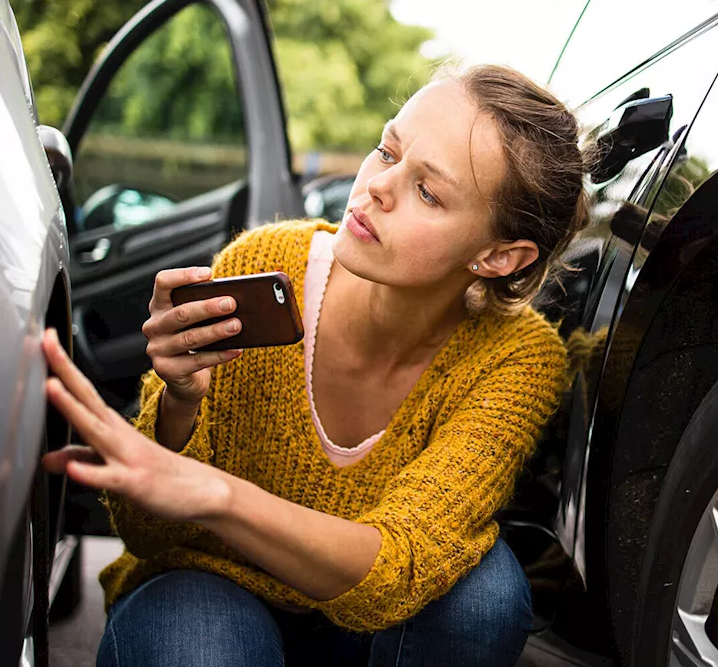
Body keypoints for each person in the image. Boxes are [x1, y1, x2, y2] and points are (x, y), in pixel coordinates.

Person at [38, 64, 592, 667]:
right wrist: (178, 403)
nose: (377, 186)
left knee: (486, 595)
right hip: (204, 586)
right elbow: (145, 534)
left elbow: (400, 567)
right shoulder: (265, 262)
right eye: (388, 150)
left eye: (429, 192)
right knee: (194, 644)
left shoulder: (516, 359)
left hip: (366, 629)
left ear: (499, 255)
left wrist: (218, 495)